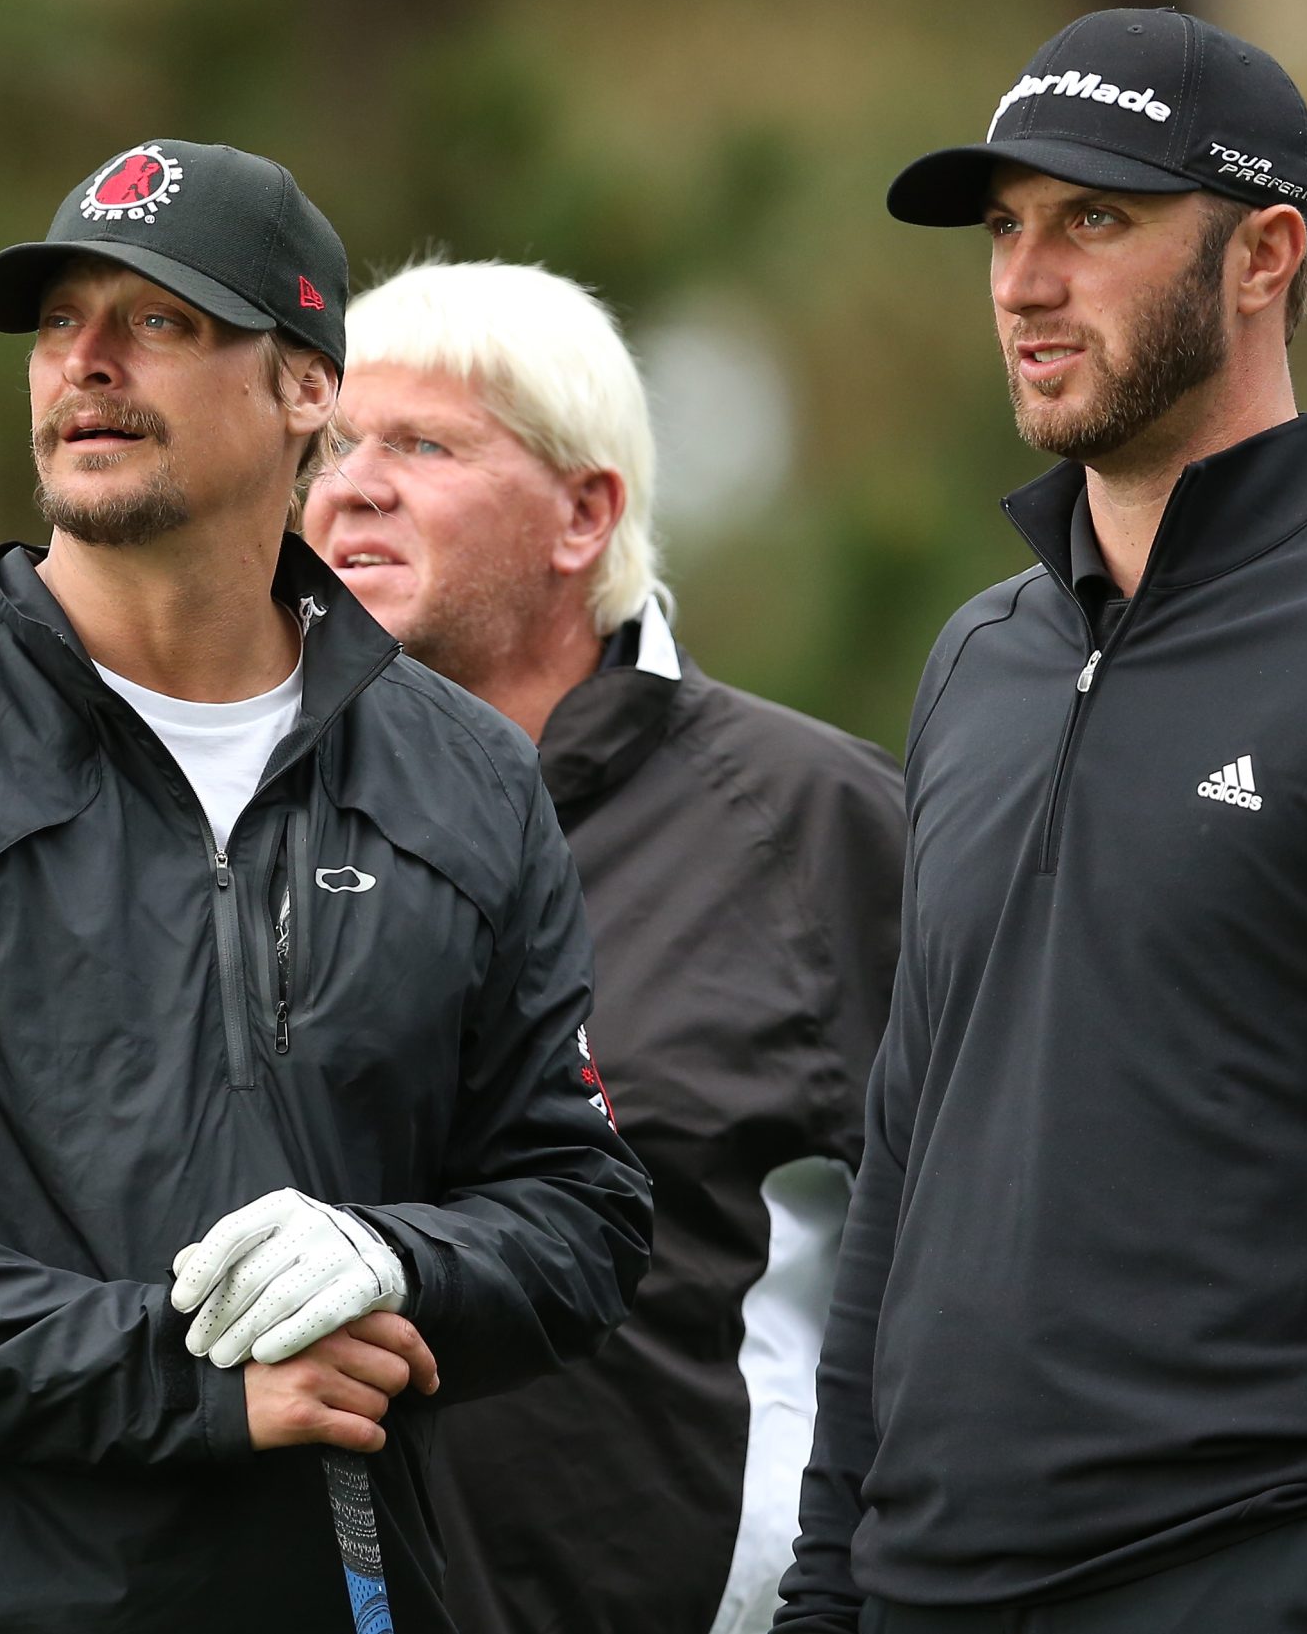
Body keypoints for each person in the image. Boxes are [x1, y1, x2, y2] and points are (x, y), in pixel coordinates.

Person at [0, 140, 652, 1632]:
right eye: (61, 321)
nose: (87, 363)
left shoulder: (462, 772)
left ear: (306, 385)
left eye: (162, 322)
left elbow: (580, 1211)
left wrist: (399, 1251)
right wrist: (186, 1373)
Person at [779, 11, 1307, 1634]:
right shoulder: (980, 658)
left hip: (1254, 1579)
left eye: (1094, 219)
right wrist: (825, 1583)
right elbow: (908, 1151)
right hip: (921, 1592)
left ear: (1262, 254)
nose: (1025, 280)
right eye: (1006, 227)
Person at [303, 260, 907, 1634]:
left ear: (584, 513)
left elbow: (989, 1250)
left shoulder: (816, 822)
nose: (350, 485)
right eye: (331, 446)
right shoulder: (251, 817)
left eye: (423, 443)